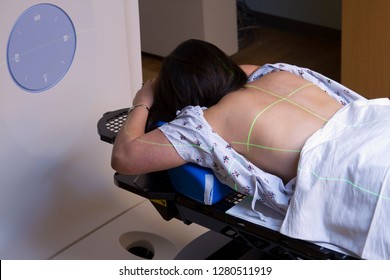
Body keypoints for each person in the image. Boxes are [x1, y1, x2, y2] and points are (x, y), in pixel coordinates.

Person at [111, 39, 390, 259]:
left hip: (355, 166)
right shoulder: (278, 72)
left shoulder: (204, 123)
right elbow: (243, 69)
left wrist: (143, 101)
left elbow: (124, 157)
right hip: (377, 128)